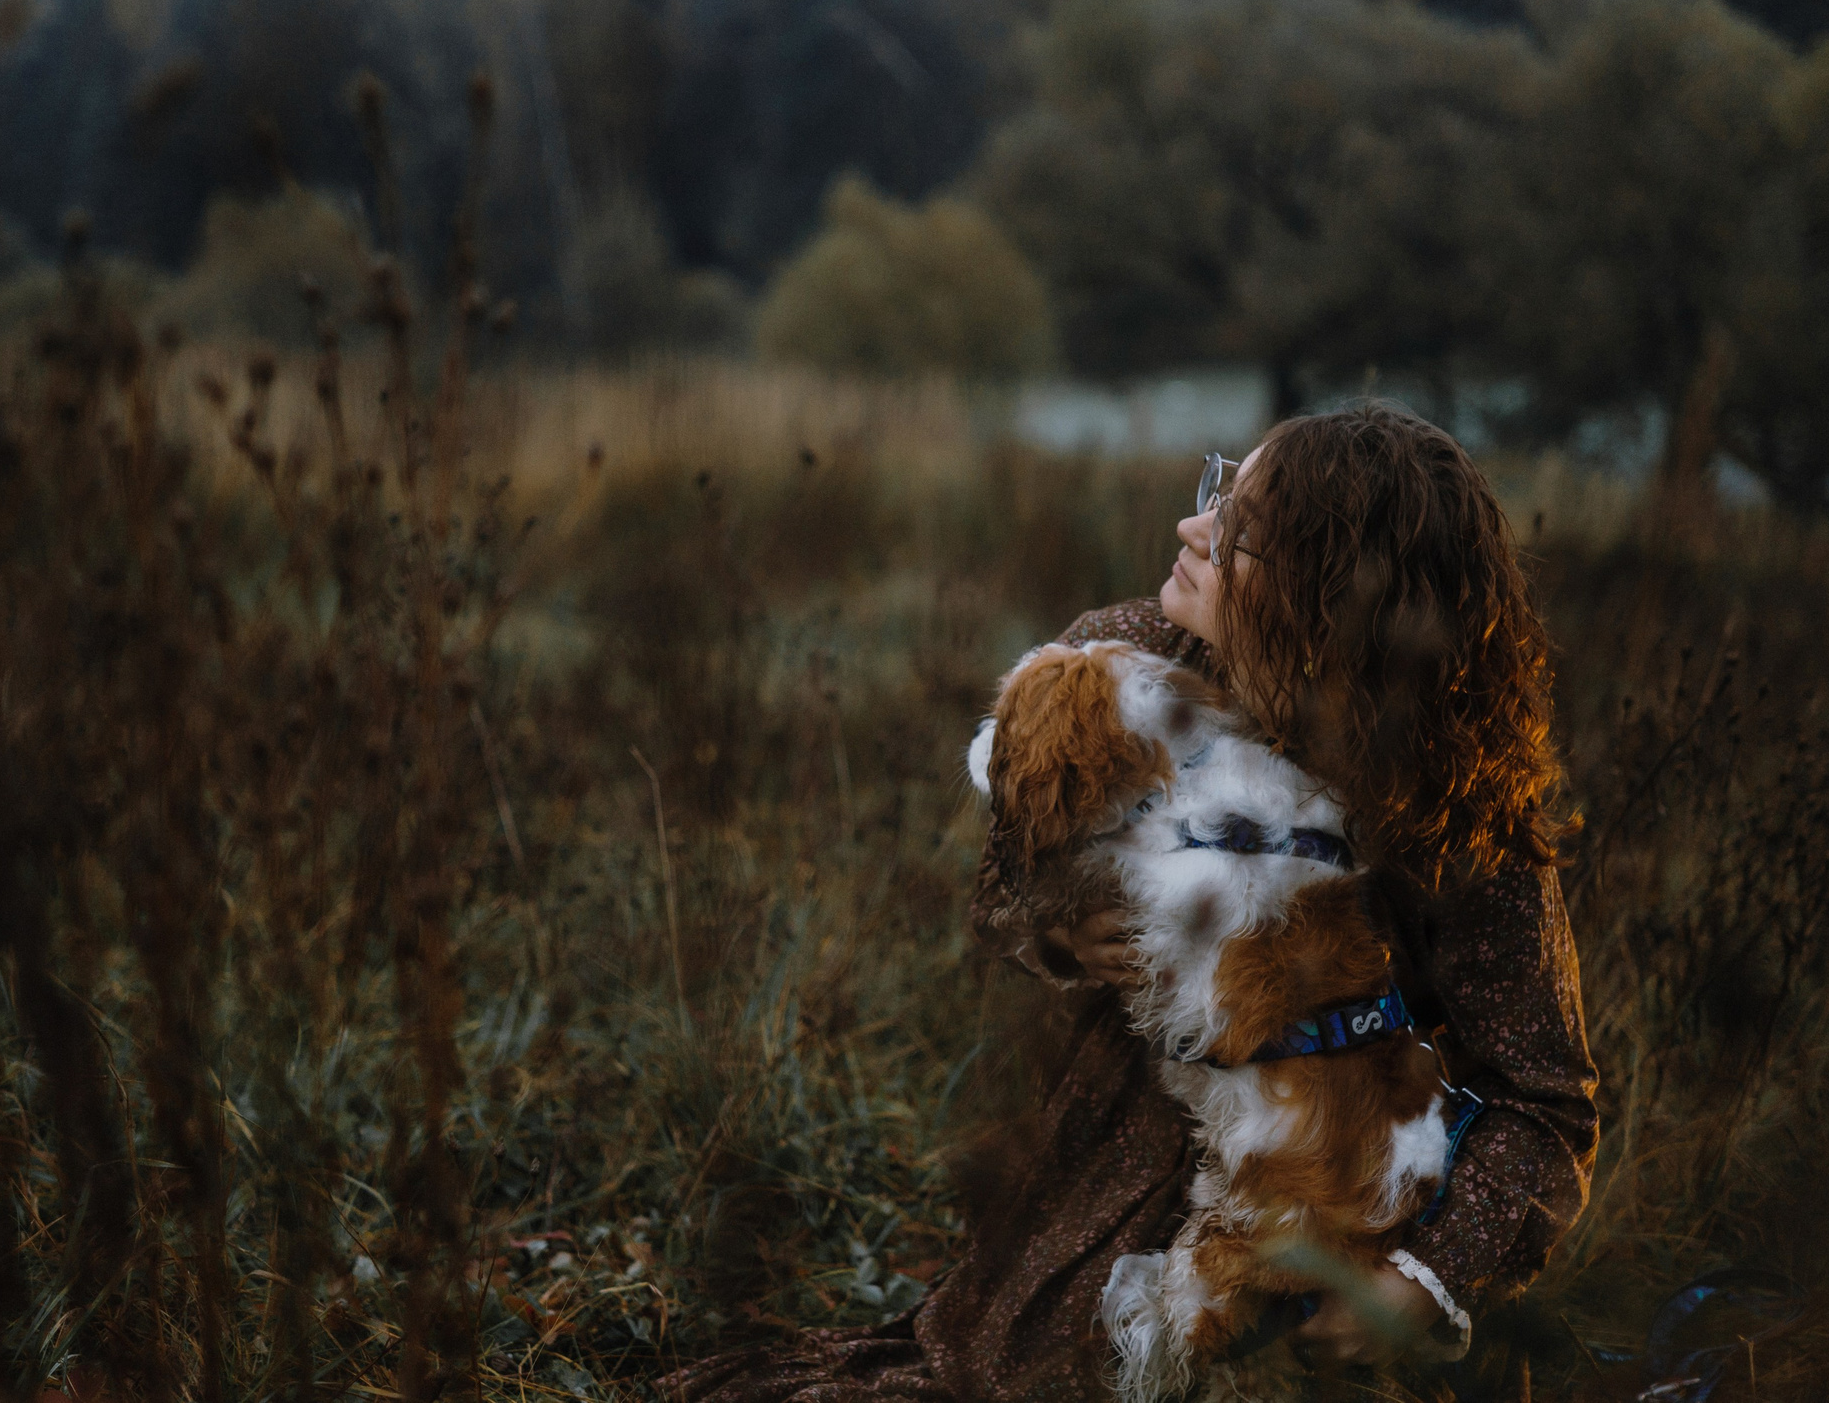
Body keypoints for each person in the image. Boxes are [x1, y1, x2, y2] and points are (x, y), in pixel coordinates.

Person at [661, 403, 1597, 1401]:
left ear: (1332, 605)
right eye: (1218, 492)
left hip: (1322, 1200)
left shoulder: (1445, 796)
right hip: (1110, 1152)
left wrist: (1424, 1279)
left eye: (1241, 538)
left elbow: (1545, 1100)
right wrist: (1054, 924)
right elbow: (1002, 883)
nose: (1193, 530)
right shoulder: (1116, 659)